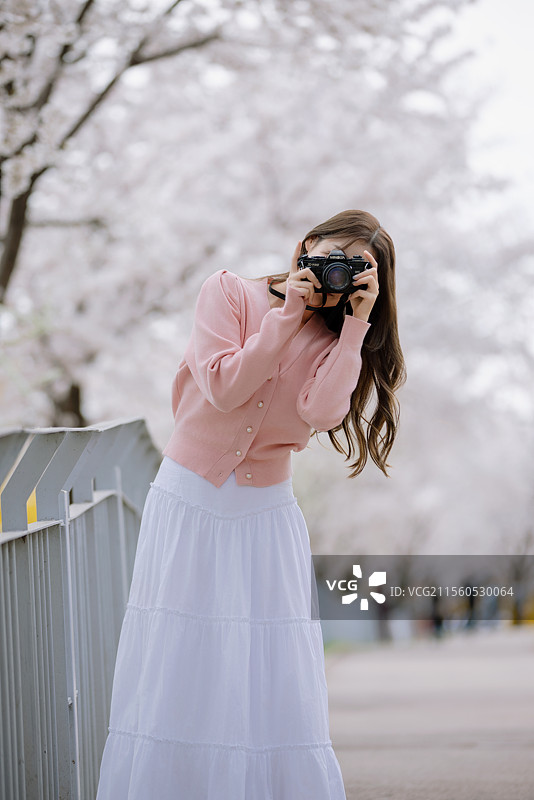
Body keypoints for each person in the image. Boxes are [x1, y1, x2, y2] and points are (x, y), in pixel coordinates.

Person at [96, 209, 406, 799]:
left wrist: (354, 329)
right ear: (303, 247)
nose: (334, 274)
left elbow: (320, 413)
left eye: (354, 269)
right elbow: (224, 386)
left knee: (266, 666)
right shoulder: (228, 293)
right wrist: (288, 313)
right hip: (189, 499)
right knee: (181, 656)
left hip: (265, 513)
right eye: (329, 256)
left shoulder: (338, 339)